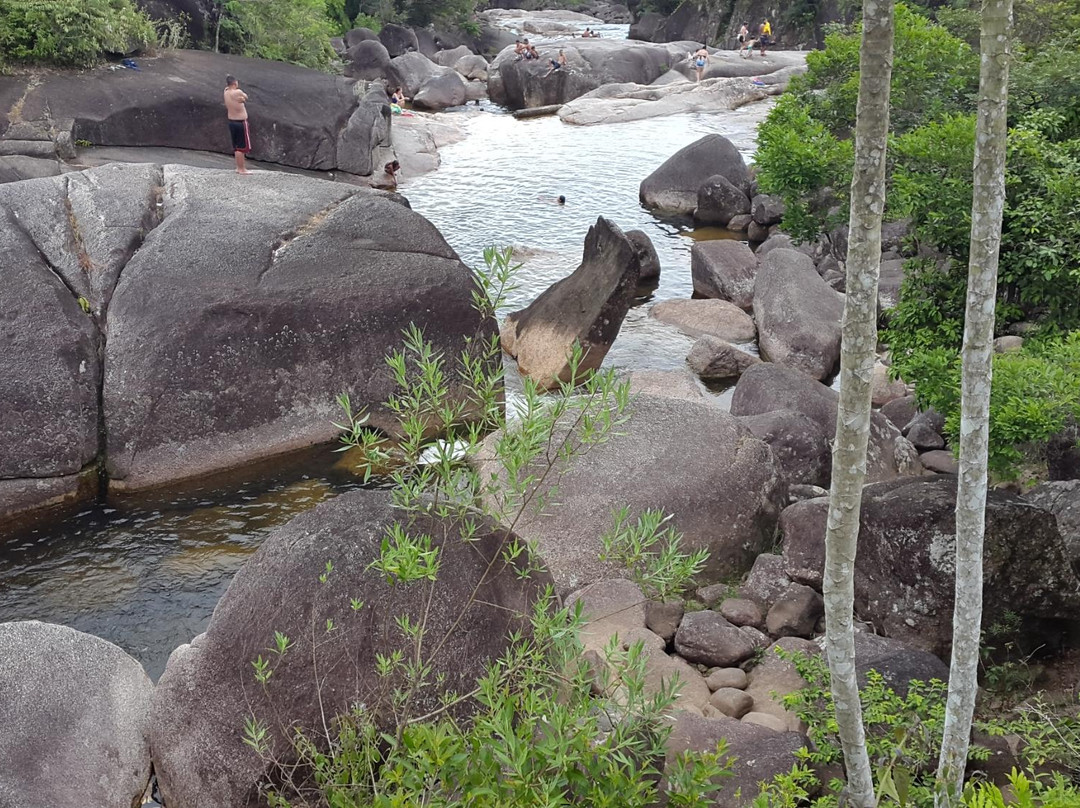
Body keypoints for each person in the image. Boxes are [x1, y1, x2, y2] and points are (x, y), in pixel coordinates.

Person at [223, 75, 251, 175]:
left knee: (236, 146)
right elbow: (246, 96)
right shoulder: (237, 92)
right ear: (235, 83)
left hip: (231, 121)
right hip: (240, 122)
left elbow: (241, 98)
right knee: (241, 147)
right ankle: (241, 168)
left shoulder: (226, 92)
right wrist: (243, 99)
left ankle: (239, 167)